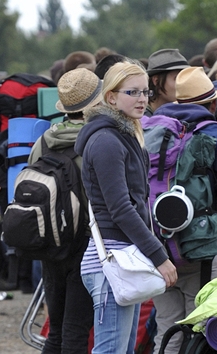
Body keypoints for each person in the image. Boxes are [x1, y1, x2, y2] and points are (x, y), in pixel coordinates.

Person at [74, 62, 177, 353]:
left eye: (146, 91)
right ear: (111, 97)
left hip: (122, 257)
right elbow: (120, 209)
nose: (142, 98)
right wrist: (159, 255)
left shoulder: (123, 136)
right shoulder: (106, 140)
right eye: (133, 92)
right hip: (111, 261)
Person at [150, 67, 217, 353]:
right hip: (204, 252)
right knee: (206, 333)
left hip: (158, 249)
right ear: (213, 104)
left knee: (167, 330)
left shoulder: (152, 132)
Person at [27, 68, 102, 354]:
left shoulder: (44, 140)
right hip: (86, 243)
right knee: (77, 329)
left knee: (56, 329)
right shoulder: (96, 141)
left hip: (51, 243)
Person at [145, 48, 190, 116]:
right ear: (156, 80)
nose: (183, 84)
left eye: (185, 78)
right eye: (177, 79)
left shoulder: (185, 114)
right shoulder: (140, 118)